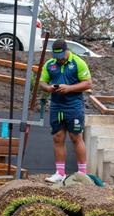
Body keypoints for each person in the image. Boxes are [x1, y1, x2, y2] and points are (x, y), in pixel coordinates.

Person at [39, 40, 92, 183]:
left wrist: (69, 88)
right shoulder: (50, 64)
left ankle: (82, 173)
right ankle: (60, 173)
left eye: (62, 55)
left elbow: (87, 83)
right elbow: (42, 81)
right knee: (57, 137)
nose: (60, 59)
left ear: (67, 50)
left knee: (76, 137)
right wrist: (48, 87)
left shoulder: (78, 62)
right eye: (57, 56)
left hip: (73, 105)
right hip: (56, 105)